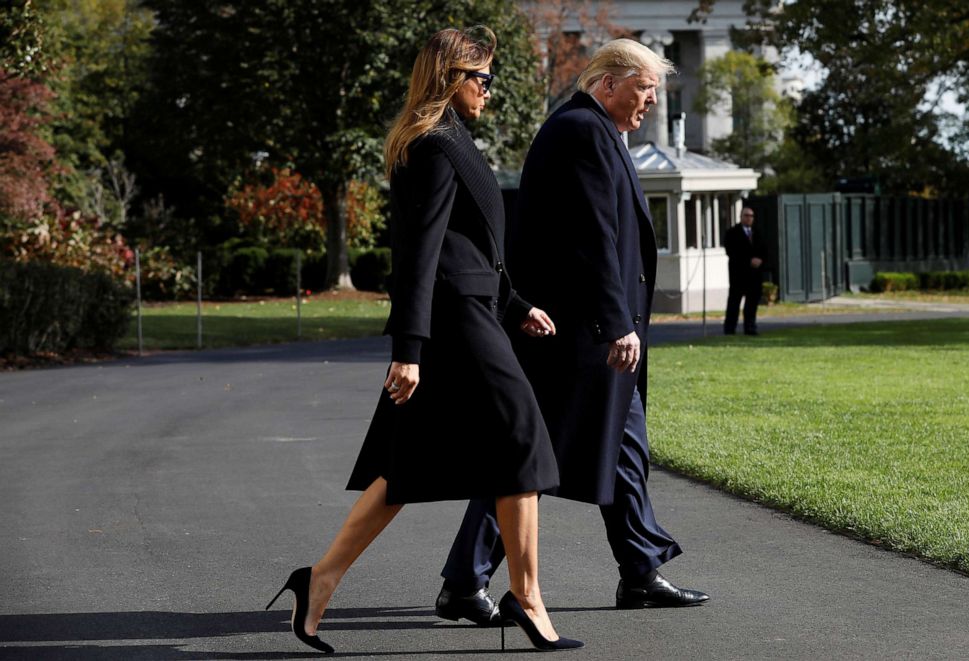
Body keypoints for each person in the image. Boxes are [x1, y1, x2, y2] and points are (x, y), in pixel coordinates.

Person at [265, 27, 582, 654]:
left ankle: (317, 581)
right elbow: (420, 255)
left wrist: (516, 304)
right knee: (522, 436)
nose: (489, 89)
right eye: (481, 78)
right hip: (454, 322)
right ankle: (529, 597)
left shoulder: (454, 140)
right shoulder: (433, 145)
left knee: (406, 467)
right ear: (449, 78)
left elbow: (472, 246)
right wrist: (407, 349)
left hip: (475, 312)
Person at [434, 38, 709, 626]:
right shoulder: (582, 131)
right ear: (608, 82)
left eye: (656, 93)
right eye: (643, 90)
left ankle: (640, 570)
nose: (650, 104)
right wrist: (616, 324)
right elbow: (592, 239)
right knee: (530, 459)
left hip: (589, 331)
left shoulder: (593, 128)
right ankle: (464, 580)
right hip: (578, 336)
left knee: (625, 448)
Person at [723, 206, 767, 336]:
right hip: (739, 274)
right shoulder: (732, 233)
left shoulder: (757, 233)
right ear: (741, 217)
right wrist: (749, 260)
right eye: (746, 216)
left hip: (754, 275)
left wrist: (760, 260)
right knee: (734, 303)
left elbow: (765, 250)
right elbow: (731, 251)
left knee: (752, 304)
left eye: (751, 216)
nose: (749, 218)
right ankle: (730, 328)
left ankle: (750, 327)